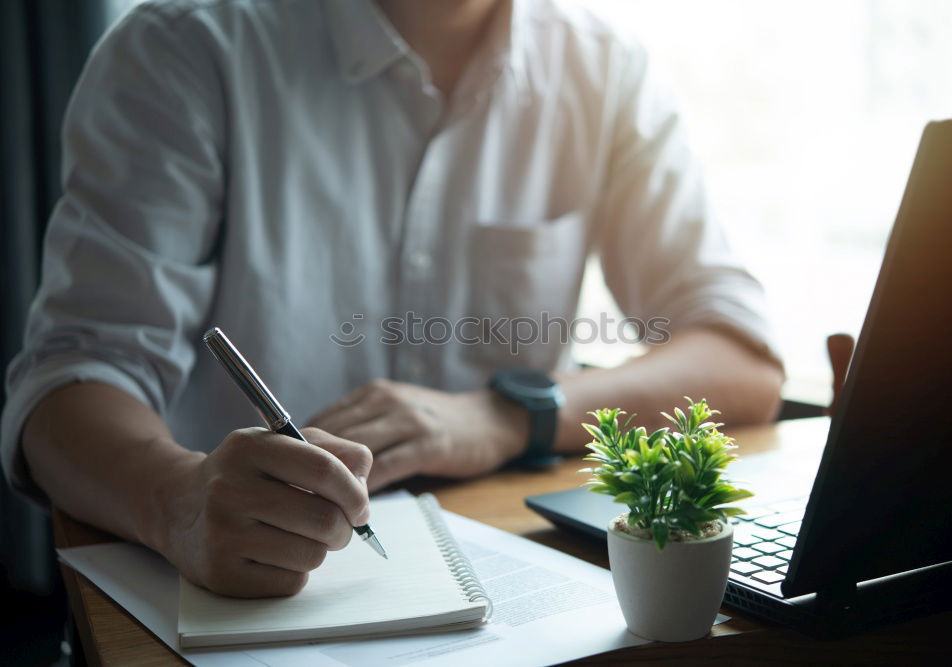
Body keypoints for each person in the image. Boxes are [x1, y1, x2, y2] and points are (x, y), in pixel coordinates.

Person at [1, 0, 783, 598]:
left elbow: (740, 358)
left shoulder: (602, 68)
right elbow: (64, 391)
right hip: (240, 594)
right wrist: (176, 503)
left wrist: (508, 413)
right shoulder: (185, 49)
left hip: (501, 589)